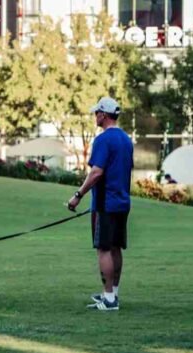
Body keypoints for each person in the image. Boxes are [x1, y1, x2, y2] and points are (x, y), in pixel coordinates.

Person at [67, 97, 133, 311]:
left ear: (103, 115)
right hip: (122, 202)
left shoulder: (103, 140)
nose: (95, 116)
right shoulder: (125, 139)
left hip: (105, 204)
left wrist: (78, 195)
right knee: (115, 248)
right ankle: (112, 292)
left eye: (96, 113)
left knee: (103, 248)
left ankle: (109, 299)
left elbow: (96, 172)